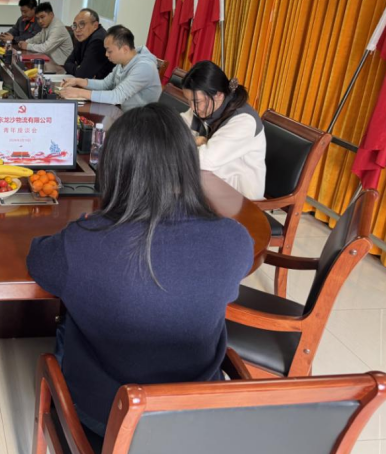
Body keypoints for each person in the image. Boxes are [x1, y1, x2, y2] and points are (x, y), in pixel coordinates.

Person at [27, 103, 252, 442]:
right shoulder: (234, 239)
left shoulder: (82, 241)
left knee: (66, 327)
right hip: (197, 417)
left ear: (113, 168)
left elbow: (38, 260)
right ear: (186, 165)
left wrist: (88, 227)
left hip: (105, 419)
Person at [180, 61, 266, 199]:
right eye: (188, 101)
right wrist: (194, 141)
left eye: (196, 102)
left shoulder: (243, 121)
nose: (193, 108)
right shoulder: (205, 106)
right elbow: (176, 128)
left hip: (239, 199)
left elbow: (204, 161)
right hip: (210, 186)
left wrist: (188, 142)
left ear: (219, 95)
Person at [60, 25, 161, 109]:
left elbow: (116, 96)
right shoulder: (123, 62)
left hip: (140, 120)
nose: (106, 54)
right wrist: (77, 81)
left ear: (125, 49)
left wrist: (79, 92)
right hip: (122, 112)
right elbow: (105, 84)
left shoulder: (144, 67)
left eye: (109, 51)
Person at [17, 2, 73, 67]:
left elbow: (45, 48)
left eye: (42, 17)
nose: (40, 21)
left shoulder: (57, 28)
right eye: (38, 18)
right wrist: (25, 42)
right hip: (51, 62)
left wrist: (27, 46)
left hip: (62, 66)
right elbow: (38, 38)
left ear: (51, 14)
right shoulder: (47, 24)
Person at [63, 9, 113, 79]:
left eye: (82, 24)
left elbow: (82, 74)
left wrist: (79, 69)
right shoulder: (84, 36)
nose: (77, 30)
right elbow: (67, 63)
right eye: (75, 25)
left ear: (95, 25)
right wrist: (78, 68)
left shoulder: (98, 41)